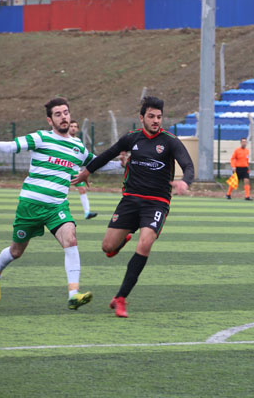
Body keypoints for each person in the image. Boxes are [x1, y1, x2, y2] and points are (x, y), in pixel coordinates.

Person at [0, 97, 121, 310]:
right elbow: (15, 145)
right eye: (58, 114)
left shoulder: (76, 146)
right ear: (50, 120)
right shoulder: (41, 138)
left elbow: (95, 163)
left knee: (70, 239)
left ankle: (73, 294)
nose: (63, 117)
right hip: (30, 205)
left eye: (66, 112)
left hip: (56, 207)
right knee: (16, 252)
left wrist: (122, 165)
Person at [72, 96, 194, 318]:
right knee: (107, 248)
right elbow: (107, 154)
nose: (156, 120)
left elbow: (188, 164)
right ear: (142, 118)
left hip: (157, 203)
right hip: (130, 200)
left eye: (159, 117)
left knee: (145, 243)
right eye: (151, 116)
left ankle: (120, 298)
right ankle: (122, 241)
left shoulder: (170, 141)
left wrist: (185, 180)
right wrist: (87, 171)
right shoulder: (131, 139)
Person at [68, 120, 97, 219]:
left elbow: (80, 157)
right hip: (63, 170)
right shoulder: (63, 139)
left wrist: (79, 169)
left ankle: (87, 213)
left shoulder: (78, 141)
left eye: (75, 126)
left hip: (74, 171)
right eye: (71, 126)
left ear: (77, 129)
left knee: (82, 189)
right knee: (61, 191)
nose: (72, 128)